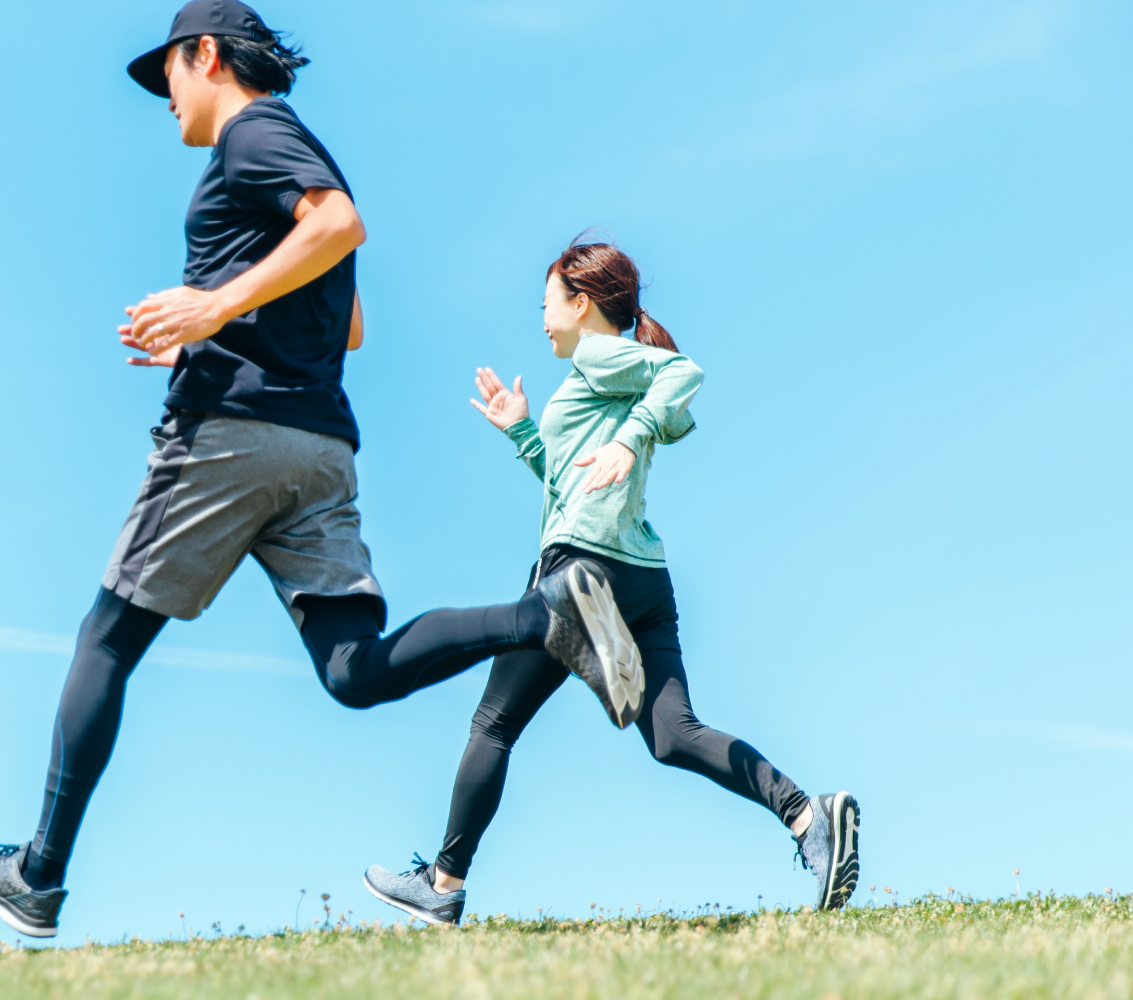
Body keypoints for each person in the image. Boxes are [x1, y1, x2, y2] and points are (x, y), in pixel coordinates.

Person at [0, 1, 649, 939]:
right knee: (354, 671)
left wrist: (208, 313)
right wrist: (221, 323)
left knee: (107, 638)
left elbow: (340, 224)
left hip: (228, 437)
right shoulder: (294, 152)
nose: (166, 102)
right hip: (318, 447)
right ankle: (544, 614)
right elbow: (345, 322)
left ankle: (38, 873)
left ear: (207, 56)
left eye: (170, 78)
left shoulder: (253, 136)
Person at [357, 239, 862, 928]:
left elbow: (684, 373)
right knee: (672, 733)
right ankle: (808, 816)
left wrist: (630, 440)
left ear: (581, 302)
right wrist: (524, 435)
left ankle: (442, 884)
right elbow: (574, 486)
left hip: (580, 571)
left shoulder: (602, 357)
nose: (541, 319)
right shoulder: (603, 379)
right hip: (642, 576)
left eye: (546, 304)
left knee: (494, 723)